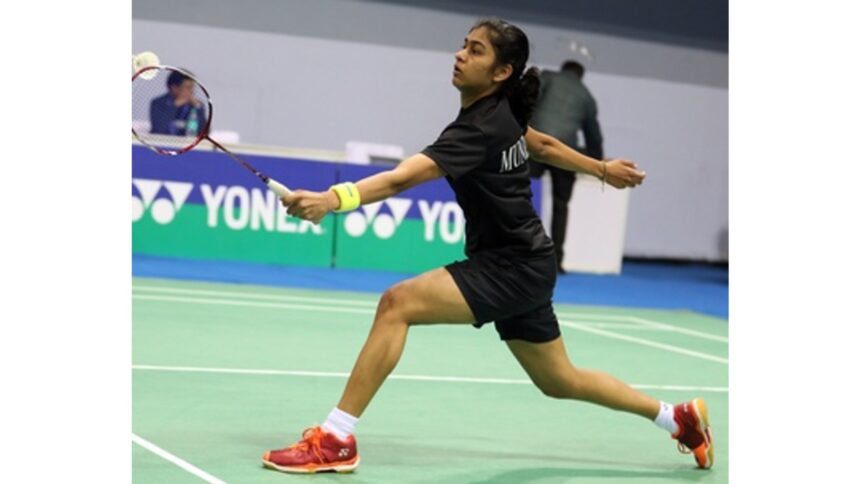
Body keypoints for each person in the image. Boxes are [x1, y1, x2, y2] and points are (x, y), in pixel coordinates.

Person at [262, 18, 713, 474]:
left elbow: (401, 178)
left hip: (511, 265)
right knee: (560, 380)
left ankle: (338, 437)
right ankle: (676, 419)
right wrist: (599, 167)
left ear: (502, 71)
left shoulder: (480, 127)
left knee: (397, 303)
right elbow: (545, 145)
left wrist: (330, 199)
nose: (460, 55)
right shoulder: (503, 112)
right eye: (463, 46)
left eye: (475, 50)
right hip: (528, 263)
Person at [529, 60, 604, 274]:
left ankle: (519, 253)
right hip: (565, 151)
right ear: (581, 76)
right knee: (561, 206)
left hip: (535, 143)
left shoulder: (549, 78)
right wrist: (597, 166)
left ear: (563, 69)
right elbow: (594, 137)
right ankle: (556, 259)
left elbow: (528, 101)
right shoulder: (587, 97)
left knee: (521, 196)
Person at [149, 69, 206, 136]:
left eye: (192, 87)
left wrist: (198, 108)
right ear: (174, 88)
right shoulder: (158, 103)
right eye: (188, 87)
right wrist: (174, 106)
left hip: (187, 143)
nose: (192, 91)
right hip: (162, 143)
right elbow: (159, 129)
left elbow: (204, 133)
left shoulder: (196, 105)